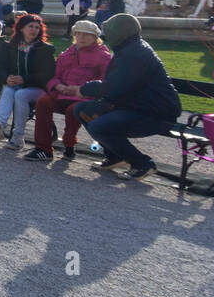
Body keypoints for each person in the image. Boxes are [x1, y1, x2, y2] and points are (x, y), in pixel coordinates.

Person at [74, 14, 181, 178]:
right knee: (82, 110)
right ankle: (115, 156)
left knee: (98, 126)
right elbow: (119, 86)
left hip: (156, 113)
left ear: (119, 33)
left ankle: (143, 163)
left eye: (109, 31)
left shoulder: (133, 53)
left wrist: (85, 88)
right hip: (138, 106)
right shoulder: (129, 48)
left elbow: (114, 87)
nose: (106, 35)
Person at [25, 20, 111, 161]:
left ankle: (69, 145)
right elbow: (53, 77)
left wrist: (81, 90)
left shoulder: (102, 56)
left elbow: (106, 82)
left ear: (95, 37)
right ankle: (43, 149)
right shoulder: (66, 54)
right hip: (61, 95)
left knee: (73, 110)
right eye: (79, 34)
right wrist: (58, 86)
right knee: (43, 102)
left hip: (84, 98)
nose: (81, 38)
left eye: (86, 35)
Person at [0, 13, 56, 150]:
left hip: (38, 88)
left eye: (37, 27)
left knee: (20, 95)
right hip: (16, 85)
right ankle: (0, 125)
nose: (34, 30)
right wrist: (7, 78)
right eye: (30, 26)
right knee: (8, 89)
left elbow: (47, 75)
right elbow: (1, 68)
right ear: (21, 29)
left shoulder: (45, 49)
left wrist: (24, 79)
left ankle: (18, 138)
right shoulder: (10, 47)